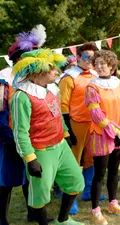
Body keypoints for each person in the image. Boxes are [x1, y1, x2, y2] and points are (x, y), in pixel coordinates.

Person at [11, 49, 85, 225]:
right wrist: (30, 159)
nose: (57, 72)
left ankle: (63, 219)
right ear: (39, 71)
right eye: (52, 69)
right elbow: (20, 132)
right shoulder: (22, 96)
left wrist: (66, 133)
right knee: (41, 194)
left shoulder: (53, 88)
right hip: (40, 150)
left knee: (75, 181)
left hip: (60, 145)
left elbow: (58, 114)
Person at [0, 24, 55, 225]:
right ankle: (2, 219)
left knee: (31, 178)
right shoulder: (4, 80)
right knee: (5, 181)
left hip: (34, 139)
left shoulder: (35, 79)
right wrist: (10, 139)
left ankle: (33, 212)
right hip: (10, 139)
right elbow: (1, 112)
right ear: (17, 59)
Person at [58, 42, 105, 214]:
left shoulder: (95, 75)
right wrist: (67, 130)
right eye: (86, 57)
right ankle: (71, 197)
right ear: (78, 57)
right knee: (72, 162)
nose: (89, 60)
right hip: (76, 123)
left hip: (94, 124)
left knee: (90, 159)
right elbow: (62, 105)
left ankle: (88, 191)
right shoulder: (69, 77)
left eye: (92, 58)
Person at [85, 50, 120, 225]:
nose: (99, 66)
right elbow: (95, 113)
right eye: (97, 63)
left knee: (114, 171)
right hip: (102, 134)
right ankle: (95, 210)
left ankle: (113, 202)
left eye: (103, 63)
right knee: (100, 173)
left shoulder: (119, 84)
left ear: (112, 66)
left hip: (119, 133)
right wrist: (114, 131)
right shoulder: (92, 86)